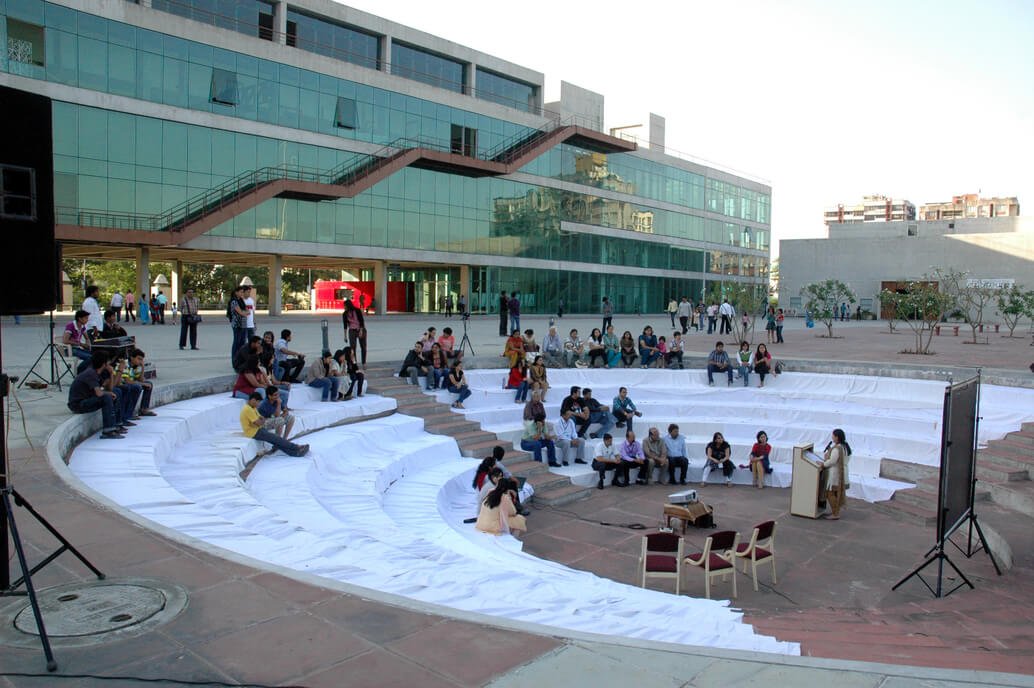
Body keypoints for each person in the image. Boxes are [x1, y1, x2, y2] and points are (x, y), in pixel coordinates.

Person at [67, 351, 128, 439]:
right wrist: (108, 393)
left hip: (86, 400)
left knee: (116, 392)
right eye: (108, 362)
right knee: (106, 397)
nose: (110, 364)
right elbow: (99, 393)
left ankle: (117, 425)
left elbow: (110, 388)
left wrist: (111, 374)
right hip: (78, 404)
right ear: (104, 364)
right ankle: (108, 430)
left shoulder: (97, 372)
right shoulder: (90, 373)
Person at [240, 392, 309, 457]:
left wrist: (261, 420)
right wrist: (261, 420)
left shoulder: (252, 407)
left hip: (258, 429)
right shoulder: (247, 409)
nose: (258, 404)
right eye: (258, 402)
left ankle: (295, 452)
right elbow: (259, 422)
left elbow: (261, 418)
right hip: (254, 432)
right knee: (276, 439)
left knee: (276, 441)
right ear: (253, 400)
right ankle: (296, 447)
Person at [821, 428, 852, 519]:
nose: (832, 437)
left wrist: (823, 464)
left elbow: (832, 461)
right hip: (843, 471)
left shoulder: (837, 448)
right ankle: (835, 512)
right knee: (835, 493)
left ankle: (835, 513)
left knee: (830, 492)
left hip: (836, 474)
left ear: (837, 437)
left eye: (833, 436)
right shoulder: (846, 447)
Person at [121, 348, 157, 417]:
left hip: (131, 383)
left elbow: (141, 380)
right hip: (123, 384)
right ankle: (129, 413)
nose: (140, 361)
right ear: (132, 358)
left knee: (149, 384)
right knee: (137, 387)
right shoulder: (125, 364)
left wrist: (143, 367)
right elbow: (127, 381)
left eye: (141, 360)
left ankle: (144, 409)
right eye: (139, 359)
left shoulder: (135, 366)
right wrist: (142, 384)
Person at [342, 298, 367, 365]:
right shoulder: (345, 314)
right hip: (352, 331)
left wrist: (361, 330)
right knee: (352, 348)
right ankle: (354, 363)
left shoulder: (357, 311)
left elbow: (362, 321)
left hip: (360, 329)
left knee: (363, 347)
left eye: (345, 306)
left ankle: (364, 362)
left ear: (348, 305)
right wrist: (345, 336)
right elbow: (345, 326)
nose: (344, 307)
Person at [228, 285, 247, 363]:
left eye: (243, 292)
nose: (242, 293)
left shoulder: (241, 300)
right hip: (237, 324)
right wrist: (244, 312)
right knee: (237, 342)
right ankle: (234, 360)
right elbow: (241, 312)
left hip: (243, 324)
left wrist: (245, 312)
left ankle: (241, 359)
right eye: (241, 292)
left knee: (242, 342)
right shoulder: (234, 301)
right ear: (236, 292)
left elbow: (247, 311)